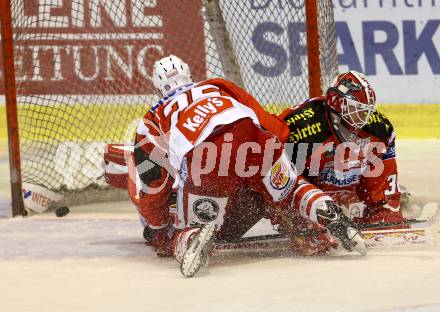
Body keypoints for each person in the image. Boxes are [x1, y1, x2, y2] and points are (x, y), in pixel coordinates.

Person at [129, 55, 367, 277]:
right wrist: (278, 150)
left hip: (205, 158)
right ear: (190, 76)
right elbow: (265, 120)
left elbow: (153, 183)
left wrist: (158, 228)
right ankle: (324, 208)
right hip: (252, 139)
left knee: (188, 228)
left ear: (157, 88)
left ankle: (191, 237)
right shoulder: (218, 86)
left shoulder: (150, 120)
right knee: (291, 188)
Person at [278, 70, 404, 228]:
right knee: (315, 241)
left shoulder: (380, 130)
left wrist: (384, 205)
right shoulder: (301, 130)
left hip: (347, 192)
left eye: (366, 112)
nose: (363, 120)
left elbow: (383, 176)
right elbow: (280, 184)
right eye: (356, 111)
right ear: (336, 104)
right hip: (311, 193)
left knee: (389, 219)